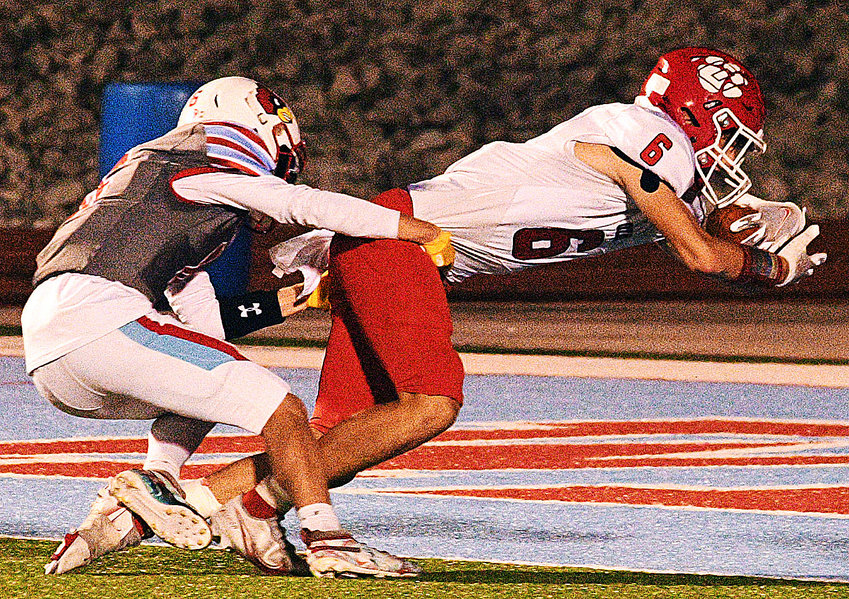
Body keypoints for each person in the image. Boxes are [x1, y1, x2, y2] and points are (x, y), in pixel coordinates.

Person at [67, 47, 828, 575]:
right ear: (693, 113)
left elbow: (694, 232)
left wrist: (737, 226)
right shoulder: (644, 131)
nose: (731, 150)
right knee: (429, 404)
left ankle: (184, 510)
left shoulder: (656, 170)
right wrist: (768, 265)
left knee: (345, 434)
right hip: (399, 239)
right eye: (726, 129)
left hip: (396, 246)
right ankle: (192, 498)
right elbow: (699, 255)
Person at [28, 76, 451, 578]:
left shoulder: (159, 192)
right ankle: (328, 539)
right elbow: (303, 204)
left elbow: (207, 335)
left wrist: (281, 303)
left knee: (210, 379)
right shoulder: (195, 161)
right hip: (96, 315)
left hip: (54, 347)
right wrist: (412, 228)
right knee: (282, 408)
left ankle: (133, 504)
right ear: (258, 129)